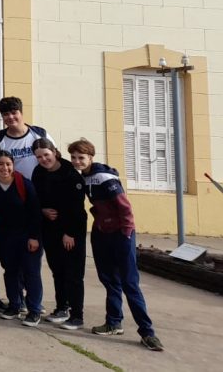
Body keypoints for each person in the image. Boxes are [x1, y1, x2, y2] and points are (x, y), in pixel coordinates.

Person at [67, 139, 164, 352]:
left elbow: (125, 208)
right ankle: (113, 322)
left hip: (120, 235)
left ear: (91, 157)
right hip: (102, 233)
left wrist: (126, 234)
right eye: (73, 157)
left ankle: (147, 332)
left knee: (130, 283)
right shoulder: (84, 176)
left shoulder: (104, 177)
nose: (77, 161)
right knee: (110, 280)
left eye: (81, 158)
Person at [31, 138, 87, 331]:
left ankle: (77, 316)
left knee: (73, 274)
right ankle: (62, 308)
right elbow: (35, 199)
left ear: (54, 152)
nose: (43, 159)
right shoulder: (38, 173)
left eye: (46, 155)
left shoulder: (71, 174)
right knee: (58, 271)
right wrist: (43, 211)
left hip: (71, 232)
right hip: (50, 230)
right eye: (39, 157)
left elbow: (77, 209)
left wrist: (69, 233)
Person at [0, 150, 44, 326]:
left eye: (8, 164)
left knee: (31, 272)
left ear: (13, 165)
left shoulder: (24, 184)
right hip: (4, 237)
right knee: (11, 271)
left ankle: (34, 310)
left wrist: (34, 237)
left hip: (27, 236)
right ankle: (15, 305)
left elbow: (35, 212)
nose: (4, 168)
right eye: (0, 164)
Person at [0, 96, 49, 179]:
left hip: (42, 186)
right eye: (6, 114)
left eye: (14, 113)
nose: (10, 117)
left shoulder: (40, 133)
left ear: (21, 113)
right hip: (15, 188)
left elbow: (55, 158)